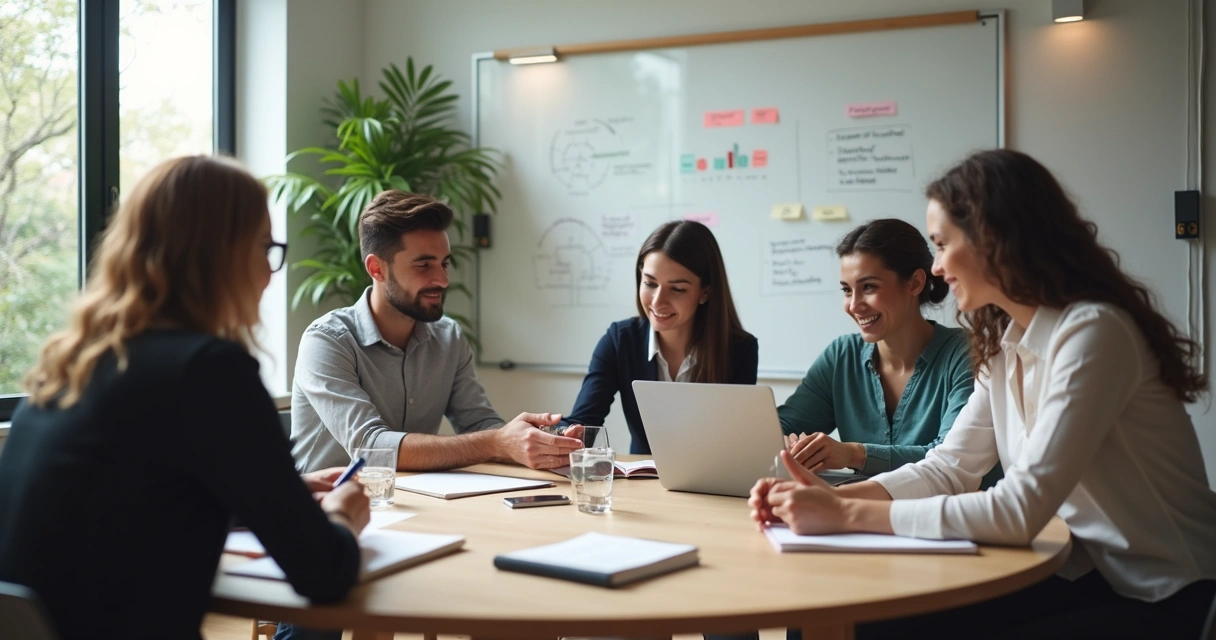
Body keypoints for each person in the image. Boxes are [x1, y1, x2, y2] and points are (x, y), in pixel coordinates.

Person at [751, 149, 1216, 639]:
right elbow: (950, 467)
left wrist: (846, 512)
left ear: (994, 240)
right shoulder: (1003, 343)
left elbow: (1019, 510)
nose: (934, 269)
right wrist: (824, 495)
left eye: (942, 244)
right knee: (843, 621)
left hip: (1169, 592)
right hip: (1077, 571)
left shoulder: (1094, 334)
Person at [0, 156, 369, 640]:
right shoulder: (209, 370)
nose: (269, 271)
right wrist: (343, 513)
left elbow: (134, 500)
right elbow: (323, 573)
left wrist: (279, 494)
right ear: (220, 253)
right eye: (265, 247)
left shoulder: (73, 363)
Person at [290, 190, 583, 473]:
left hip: (414, 505)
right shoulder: (327, 341)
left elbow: (479, 425)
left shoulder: (448, 337)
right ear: (377, 269)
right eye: (423, 265)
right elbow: (372, 447)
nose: (442, 280)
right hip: (327, 512)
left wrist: (538, 441)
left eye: (444, 263)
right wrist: (498, 442)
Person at [779, 219, 1000, 488]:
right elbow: (782, 424)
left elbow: (950, 460)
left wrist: (852, 453)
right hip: (868, 517)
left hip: (957, 519)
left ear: (915, 283)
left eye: (869, 287)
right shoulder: (841, 356)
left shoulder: (966, 353)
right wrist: (786, 441)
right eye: (847, 290)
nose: (854, 305)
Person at [564, 220, 758, 454]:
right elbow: (582, 423)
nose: (657, 302)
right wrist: (555, 436)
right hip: (642, 486)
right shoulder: (620, 340)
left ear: (705, 292)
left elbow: (734, 443)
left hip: (711, 487)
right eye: (650, 283)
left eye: (677, 289)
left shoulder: (739, 349)